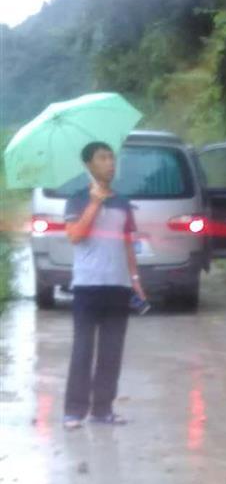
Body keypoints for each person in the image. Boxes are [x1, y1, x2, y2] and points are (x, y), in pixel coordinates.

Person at [62, 141, 147, 429]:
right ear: (89, 164)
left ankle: (102, 410)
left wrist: (135, 280)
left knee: (112, 352)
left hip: (118, 286)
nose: (110, 163)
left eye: (111, 158)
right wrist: (95, 202)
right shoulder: (76, 200)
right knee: (82, 351)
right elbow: (75, 236)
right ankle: (74, 411)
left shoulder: (123, 202)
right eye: (102, 158)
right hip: (87, 286)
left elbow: (127, 244)